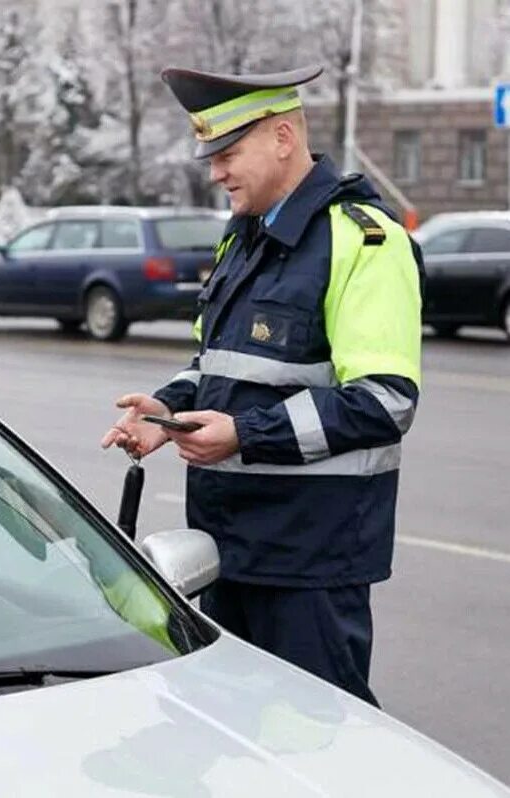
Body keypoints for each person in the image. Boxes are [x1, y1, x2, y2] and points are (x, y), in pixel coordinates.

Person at [101, 64, 423, 706]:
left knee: (319, 742)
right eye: (210, 155)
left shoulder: (362, 239)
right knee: (234, 735)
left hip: (308, 564)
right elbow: (218, 366)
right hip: (226, 549)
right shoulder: (243, 240)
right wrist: (168, 409)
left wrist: (245, 435)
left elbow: (386, 401)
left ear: (282, 137)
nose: (215, 170)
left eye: (227, 152)